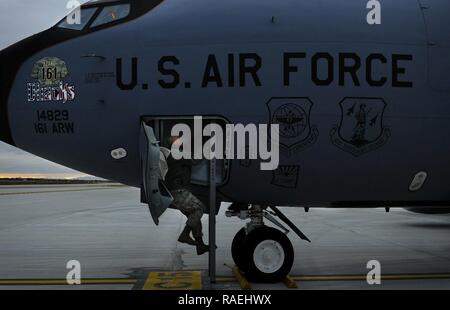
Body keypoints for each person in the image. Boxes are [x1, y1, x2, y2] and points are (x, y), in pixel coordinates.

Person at [159, 136, 210, 255]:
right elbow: (195, 159)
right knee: (199, 208)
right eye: (178, 139)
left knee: (194, 216)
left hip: (174, 190)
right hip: (178, 191)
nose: (181, 140)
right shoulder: (178, 154)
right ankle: (185, 234)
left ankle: (200, 245)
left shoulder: (173, 154)